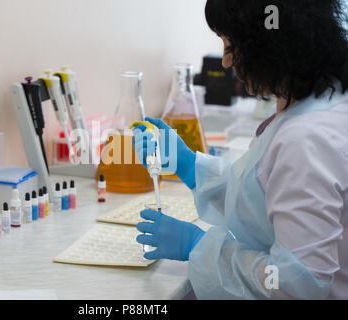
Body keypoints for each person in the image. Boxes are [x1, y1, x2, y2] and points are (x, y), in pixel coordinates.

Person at [133, 0, 348, 299]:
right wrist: (189, 166)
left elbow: (296, 285)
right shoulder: (321, 99)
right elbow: (267, 196)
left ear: (268, 43)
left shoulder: (307, 140)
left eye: (230, 45)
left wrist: (200, 248)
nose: (225, 62)